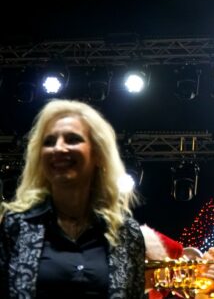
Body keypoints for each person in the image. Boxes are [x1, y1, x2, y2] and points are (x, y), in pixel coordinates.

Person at [0, 99, 145, 298]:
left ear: (98, 154)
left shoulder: (127, 233)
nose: (58, 148)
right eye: (49, 142)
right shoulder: (16, 225)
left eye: (72, 139)